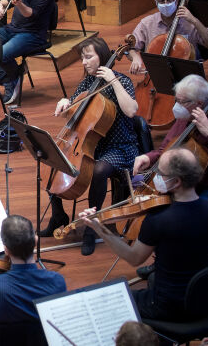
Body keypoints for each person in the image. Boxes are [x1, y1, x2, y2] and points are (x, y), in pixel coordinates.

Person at [81, 148, 208, 321]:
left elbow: (134, 258)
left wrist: (99, 229)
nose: (155, 178)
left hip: (167, 306)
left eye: (160, 173)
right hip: (201, 300)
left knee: (108, 303)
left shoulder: (159, 220)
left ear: (176, 181)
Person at [41, 37, 138, 256]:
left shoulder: (122, 81)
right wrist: (65, 102)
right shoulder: (87, 83)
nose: (84, 62)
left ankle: (91, 230)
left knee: (99, 170)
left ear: (102, 57)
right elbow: (75, 110)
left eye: (88, 57)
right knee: (51, 157)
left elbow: (131, 110)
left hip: (119, 147)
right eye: (82, 58)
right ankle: (58, 215)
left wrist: (113, 80)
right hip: (89, 145)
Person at [133, 74, 208, 213]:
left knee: (185, 215)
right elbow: (166, 149)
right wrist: (148, 158)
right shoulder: (185, 117)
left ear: (199, 103)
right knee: (139, 189)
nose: (176, 105)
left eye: (181, 101)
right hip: (183, 184)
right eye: (176, 100)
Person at [126, 0, 208, 75]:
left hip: (186, 76)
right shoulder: (147, 23)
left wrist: (195, 21)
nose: (166, 3)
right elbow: (130, 48)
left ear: (177, 0)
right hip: (156, 76)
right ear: (156, 2)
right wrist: (135, 57)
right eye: (161, 1)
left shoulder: (189, 22)